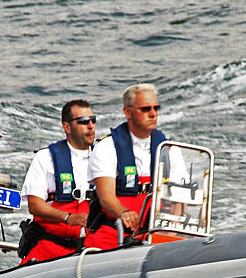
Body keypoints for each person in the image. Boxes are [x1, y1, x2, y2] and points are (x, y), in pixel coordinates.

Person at [84, 83, 168, 250]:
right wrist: (124, 213)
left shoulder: (168, 148)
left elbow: (179, 193)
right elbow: (106, 196)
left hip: (154, 231)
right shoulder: (107, 147)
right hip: (115, 232)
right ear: (127, 112)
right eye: (145, 109)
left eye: (155, 108)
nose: (152, 114)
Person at [17, 99, 97, 264]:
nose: (90, 126)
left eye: (93, 120)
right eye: (83, 121)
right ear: (67, 127)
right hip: (50, 247)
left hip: (90, 250)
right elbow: (35, 205)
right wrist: (68, 218)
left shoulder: (104, 158)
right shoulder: (45, 158)